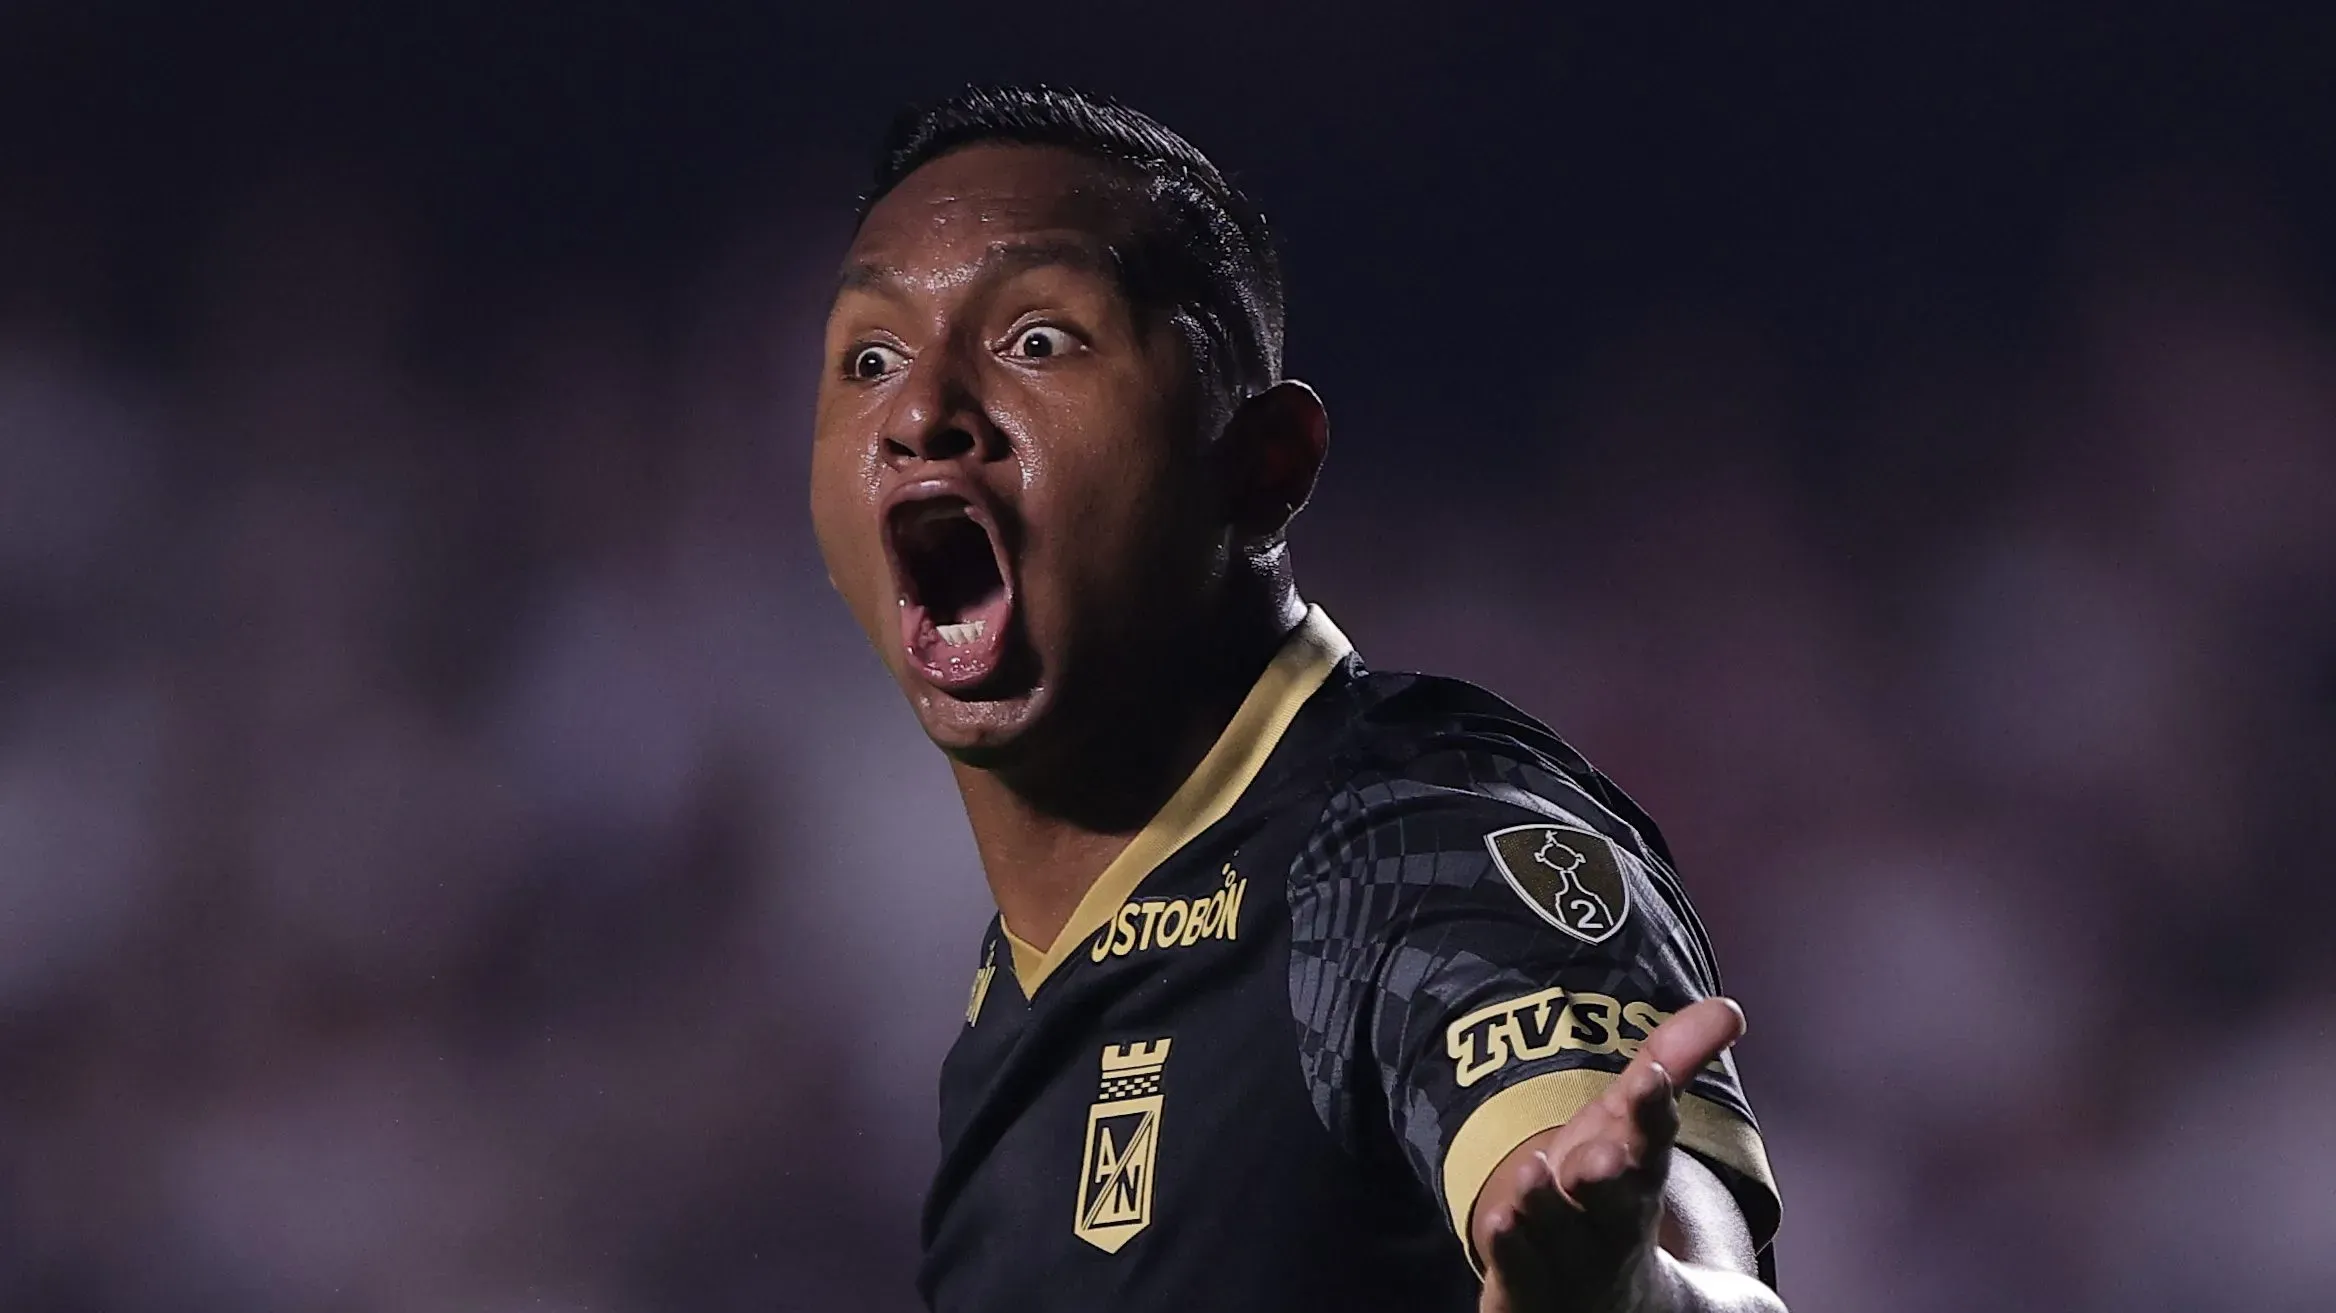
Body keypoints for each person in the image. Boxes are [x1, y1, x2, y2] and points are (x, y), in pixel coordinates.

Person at [809, 84, 1785, 1313]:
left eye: (1038, 340)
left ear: (1262, 466)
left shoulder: (1413, 838)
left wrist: (1632, 1294)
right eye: (871, 357)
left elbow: (1664, 1239)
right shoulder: (1010, 1013)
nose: (920, 414)